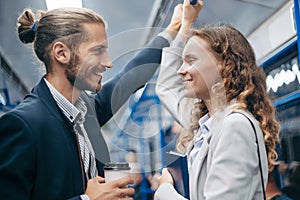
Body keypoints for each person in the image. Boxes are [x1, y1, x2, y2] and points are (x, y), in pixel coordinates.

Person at [0, 5, 182, 200]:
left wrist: (174, 28)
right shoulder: (22, 125)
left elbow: (130, 77)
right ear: (61, 53)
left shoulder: (87, 111)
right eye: (98, 51)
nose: (108, 62)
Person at [154, 0, 280, 199]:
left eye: (191, 60)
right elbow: (165, 87)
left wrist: (164, 192)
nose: (180, 70)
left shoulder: (234, 126)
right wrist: (185, 25)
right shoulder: (206, 123)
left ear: (224, 65)